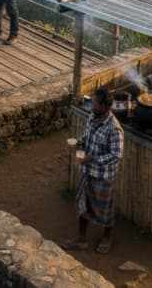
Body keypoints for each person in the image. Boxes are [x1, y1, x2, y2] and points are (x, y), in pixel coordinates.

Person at [63, 87, 124, 254]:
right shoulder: (92, 117)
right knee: (83, 204)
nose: (92, 106)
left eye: (96, 104)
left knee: (105, 209)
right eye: (93, 102)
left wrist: (93, 158)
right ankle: (81, 239)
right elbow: (87, 135)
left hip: (104, 176)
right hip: (89, 171)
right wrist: (79, 143)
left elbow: (116, 155)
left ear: (105, 107)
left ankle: (107, 237)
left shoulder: (114, 129)